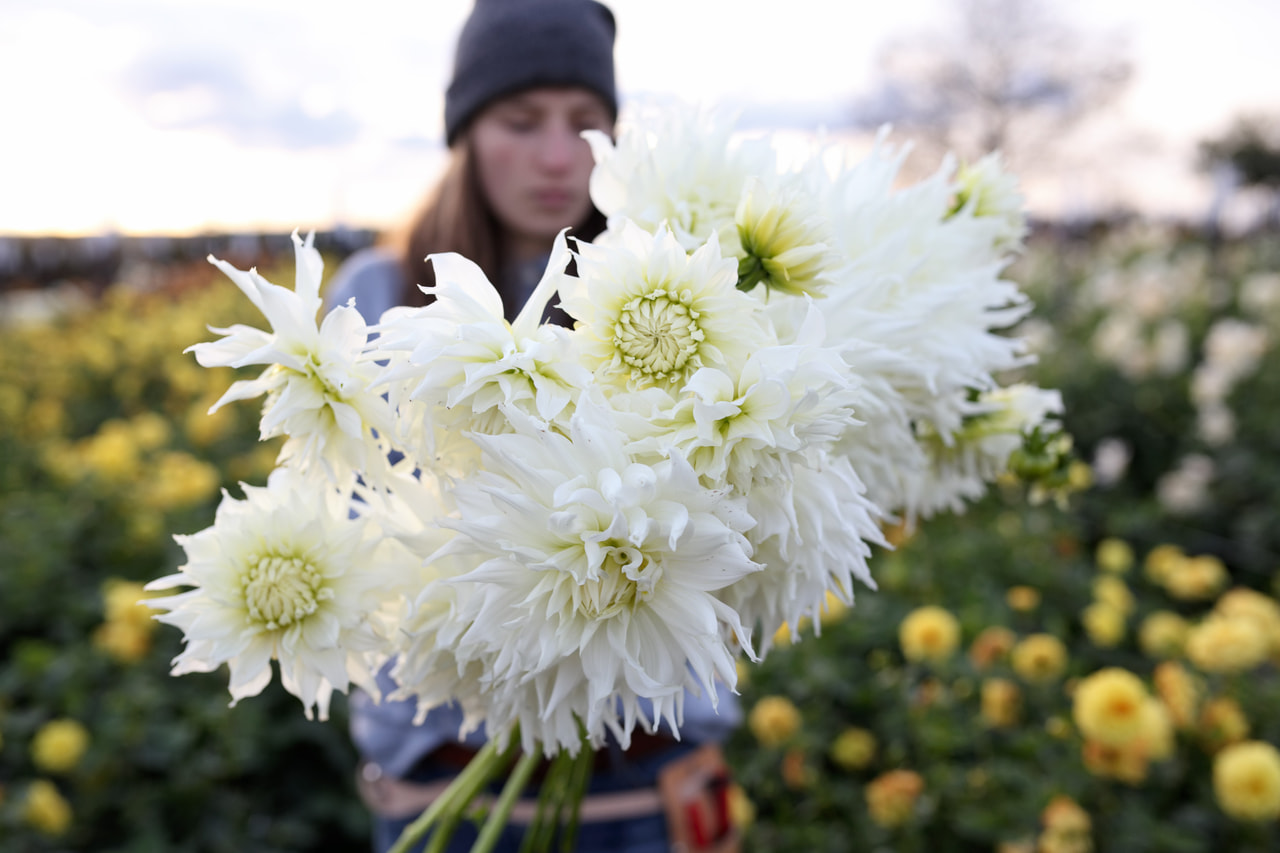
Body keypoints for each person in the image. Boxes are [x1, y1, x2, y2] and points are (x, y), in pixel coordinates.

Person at [323, 2, 742, 851]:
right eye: (521, 121)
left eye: (587, 124)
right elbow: (343, 528)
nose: (558, 157)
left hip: (645, 770)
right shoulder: (372, 296)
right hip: (445, 768)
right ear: (466, 132)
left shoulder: (673, 293)